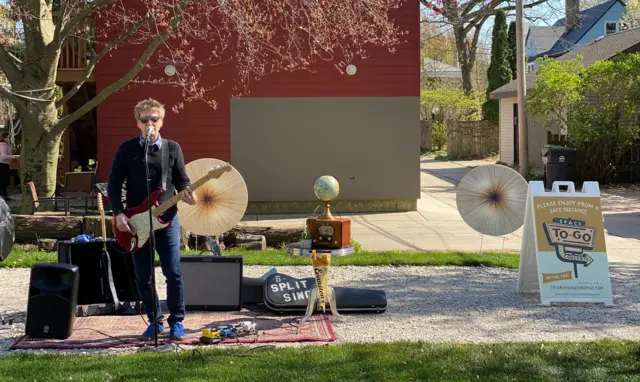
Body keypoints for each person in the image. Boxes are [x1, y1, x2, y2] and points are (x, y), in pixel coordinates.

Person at [107, 98, 197, 341]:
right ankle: (154, 321)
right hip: (136, 222)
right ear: (137, 122)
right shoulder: (127, 149)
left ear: (162, 120)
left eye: (154, 119)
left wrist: (188, 192)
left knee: (173, 271)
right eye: (144, 119)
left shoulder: (172, 148)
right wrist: (118, 213)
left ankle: (177, 321)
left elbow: (182, 180)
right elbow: (114, 184)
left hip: (167, 219)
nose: (150, 123)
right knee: (143, 275)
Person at [0, 132, 19, 200]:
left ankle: (5, 196)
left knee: (3, 181)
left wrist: (12, 152)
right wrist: (15, 156)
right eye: (8, 137)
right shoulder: (3, 145)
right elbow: (4, 156)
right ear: (4, 138)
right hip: (2, 165)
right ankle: (3, 197)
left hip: (5, 165)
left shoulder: (6, 145)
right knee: (3, 181)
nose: (9, 139)